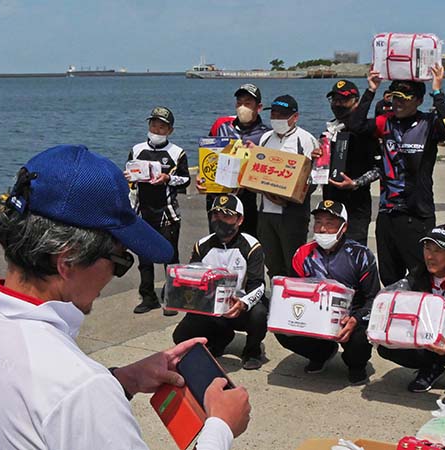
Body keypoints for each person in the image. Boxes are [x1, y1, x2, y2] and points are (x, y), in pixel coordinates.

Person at [0, 145, 250, 450]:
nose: (117, 275)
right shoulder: (83, 391)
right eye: (120, 261)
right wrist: (221, 427)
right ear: (68, 261)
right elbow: (70, 398)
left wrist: (121, 379)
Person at [348, 65, 445, 285]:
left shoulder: (428, 123)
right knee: (389, 277)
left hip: (418, 213)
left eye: (404, 99)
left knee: (420, 276)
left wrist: (437, 91)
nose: (398, 103)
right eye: (395, 98)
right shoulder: (385, 121)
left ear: (418, 101)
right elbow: (355, 125)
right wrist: (371, 90)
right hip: (388, 213)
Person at [276, 200, 381, 385]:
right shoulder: (302, 254)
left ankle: (356, 365)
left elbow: (374, 298)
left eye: (330, 223)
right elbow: (293, 292)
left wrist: (355, 319)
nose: (322, 229)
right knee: (281, 327)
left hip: (350, 318)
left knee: (359, 340)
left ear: (343, 227)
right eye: (318, 222)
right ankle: (320, 353)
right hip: (314, 315)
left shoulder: (361, 255)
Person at [377, 223, 445, 392]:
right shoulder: (417, 275)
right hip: (426, 340)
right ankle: (430, 368)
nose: (430, 256)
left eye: (438, 251)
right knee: (386, 347)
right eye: (427, 248)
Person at [172, 194, 268, 370]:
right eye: (216, 215)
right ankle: (220, 338)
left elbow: (259, 285)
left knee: (259, 313)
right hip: (211, 307)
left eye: (226, 216)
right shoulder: (202, 245)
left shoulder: (251, 246)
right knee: (180, 337)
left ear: (240, 220)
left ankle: (252, 351)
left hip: (239, 307)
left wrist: (243, 304)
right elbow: (192, 279)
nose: (219, 220)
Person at [126, 106, 190, 314]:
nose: (156, 129)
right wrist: (129, 178)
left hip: (167, 212)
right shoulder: (136, 149)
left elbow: (185, 179)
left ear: (170, 130)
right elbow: (130, 177)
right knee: (144, 258)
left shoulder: (177, 152)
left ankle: (173, 297)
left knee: (170, 256)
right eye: (153, 125)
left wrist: (168, 178)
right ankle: (148, 297)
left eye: (162, 127)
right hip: (142, 212)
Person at [253, 95, 320, 278]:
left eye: (282, 115)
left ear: (295, 117)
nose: (276, 118)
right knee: (272, 264)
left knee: (294, 264)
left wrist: (287, 197)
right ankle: (276, 293)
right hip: (266, 212)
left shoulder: (306, 139)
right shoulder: (265, 138)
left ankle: (294, 294)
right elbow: (257, 173)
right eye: (273, 114)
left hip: (293, 214)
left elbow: (313, 177)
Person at [200, 83, 269, 237]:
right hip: (217, 195)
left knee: (246, 239)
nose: (242, 107)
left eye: (248, 103)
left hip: (246, 197)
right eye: (239, 103)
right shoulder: (221, 126)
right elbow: (208, 155)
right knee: (217, 239)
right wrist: (201, 177)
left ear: (259, 107)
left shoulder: (266, 134)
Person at [320, 80, 380, 245]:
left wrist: (355, 183)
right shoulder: (328, 131)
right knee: (329, 250)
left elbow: (379, 168)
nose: (338, 104)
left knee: (353, 252)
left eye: (344, 100)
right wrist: (317, 159)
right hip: (330, 203)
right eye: (335, 100)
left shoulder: (366, 131)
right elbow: (321, 166)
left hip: (356, 207)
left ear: (356, 102)